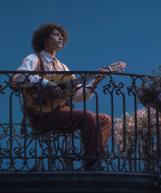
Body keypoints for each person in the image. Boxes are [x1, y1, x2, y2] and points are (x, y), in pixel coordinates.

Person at [14, 22, 111, 171]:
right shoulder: (34, 59)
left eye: (61, 36)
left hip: (63, 114)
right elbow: (18, 78)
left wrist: (95, 82)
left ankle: (95, 159)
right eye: (56, 34)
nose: (60, 38)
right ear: (45, 39)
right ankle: (91, 163)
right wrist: (46, 83)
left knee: (104, 119)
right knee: (87, 116)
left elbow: (78, 96)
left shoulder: (63, 68)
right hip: (43, 116)